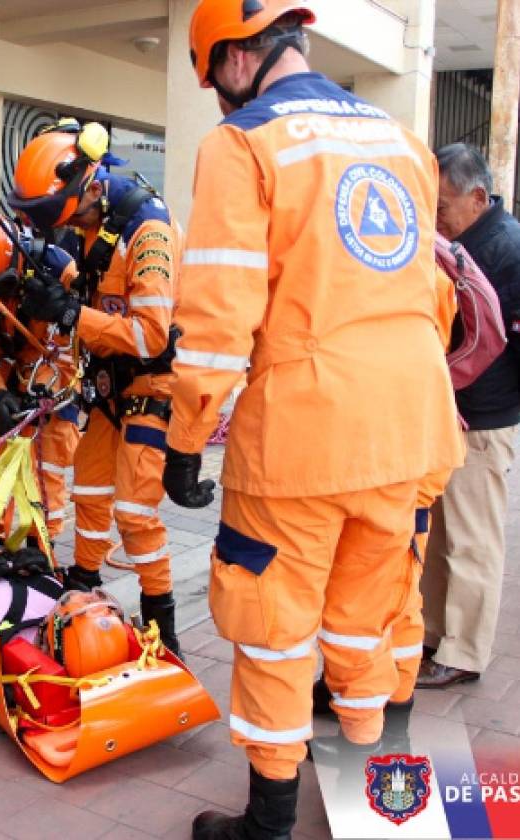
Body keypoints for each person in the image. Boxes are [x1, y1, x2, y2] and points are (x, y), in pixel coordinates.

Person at [162, 2, 463, 836]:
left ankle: (268, 824)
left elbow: (219, 316)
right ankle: (381, 808)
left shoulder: (243, 143)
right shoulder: (402, 141)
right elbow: (432, 298)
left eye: (212, 85)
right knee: (370, 618)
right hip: (411, 428)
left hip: (301, 438)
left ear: (229, 60)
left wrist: (185, 440)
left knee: (274, 629)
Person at [9, 120, 184, 655]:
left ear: (86, 184)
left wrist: (72, 313)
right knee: (88, 487)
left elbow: (150, 335)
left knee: (134, 512)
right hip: (107, 385)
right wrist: (55, 294)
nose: (59, 229)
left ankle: (163, 622)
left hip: (152, 383)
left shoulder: (148, 232)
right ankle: (84, 580)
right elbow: (93, 296)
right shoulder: (89, 229)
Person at [416, 144, 520, 689]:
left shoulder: (506, 248)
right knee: (439, 536)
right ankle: (434, 633)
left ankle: (464, 653)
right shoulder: (461, 243)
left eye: (443, 207)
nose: (436, 219)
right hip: (450, 412)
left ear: (478, 198)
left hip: (482, 418)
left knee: (473, 540)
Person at [0, 211, 80, 539]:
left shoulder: (58, 272)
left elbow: (72, 349)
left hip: (46, 362)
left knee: (49, 449)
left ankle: (42, 542)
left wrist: (40, 389)